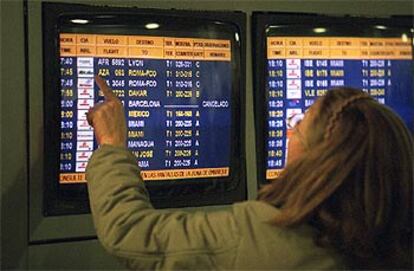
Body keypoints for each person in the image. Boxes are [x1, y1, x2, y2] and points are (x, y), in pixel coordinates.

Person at [86, 76, 413, 270]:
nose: (288, 133)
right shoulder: (396, 244)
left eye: (298, 125)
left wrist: (112, 144)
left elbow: (129, 232)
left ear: (322, 161)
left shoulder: (268, 239)